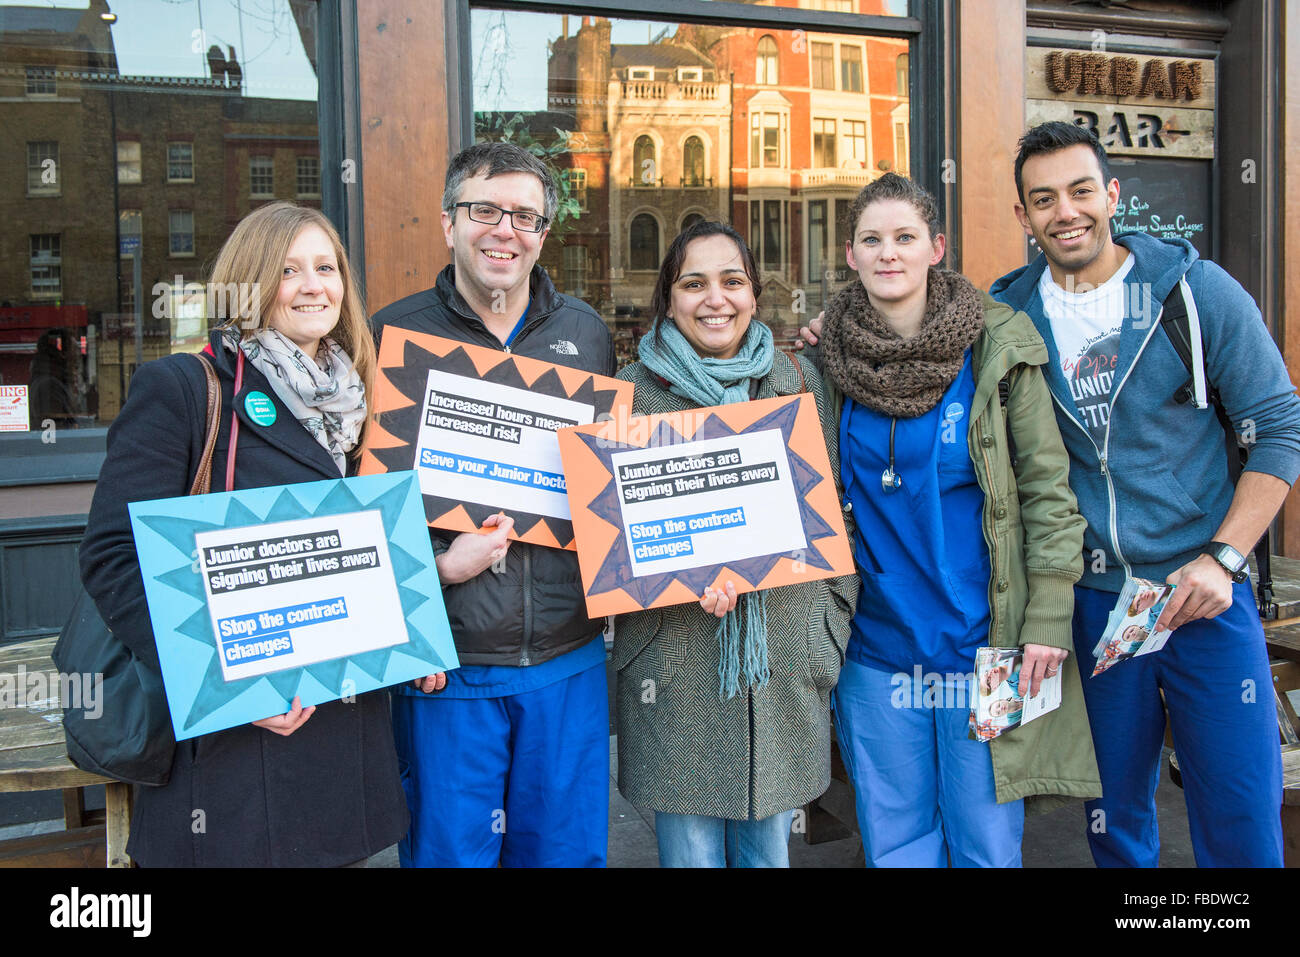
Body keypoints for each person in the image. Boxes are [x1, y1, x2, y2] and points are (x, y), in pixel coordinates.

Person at [989, 121, 1300, 867]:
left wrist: (1224, 559)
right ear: (1024, 216)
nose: (1065, 211)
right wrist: (822, 338)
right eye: (1043, 199)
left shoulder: (1192, 292)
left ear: (1112, 195)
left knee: (1239, 811)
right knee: (1114, 820)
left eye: (1080, 190)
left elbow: (1280, 428)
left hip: (1203, 593)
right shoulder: (1008, 315)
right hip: (1095, 604)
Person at [79, 201, 414, 866]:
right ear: (249, 282)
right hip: (236, 761)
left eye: (326, 267)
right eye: (289, 269)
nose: (313, 284)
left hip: (343, 751)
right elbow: (112, 558)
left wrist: (412, 633)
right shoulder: (183, 387)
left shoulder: (363, 401)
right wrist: (232, 684)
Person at [804, 173, 1099, 867]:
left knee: (985, 839)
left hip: (985, 644)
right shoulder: (826, 361)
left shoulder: (998, 345)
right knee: (896, 839)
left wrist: (1049, 619)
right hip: (874, 648)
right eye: (872, 239)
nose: (889, 253)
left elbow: (1050, 493)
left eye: (905, 237)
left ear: (936, 247)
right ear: (850, 253)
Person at [371, 142, 615, 868]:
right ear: (449, 223)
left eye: (525, 216)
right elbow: (364, 511)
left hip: (567, 661)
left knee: (565, 857)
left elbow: (610, 486)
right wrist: (418, 613)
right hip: (450, 667)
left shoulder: (586, 333)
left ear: (543, 234)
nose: (504, 229)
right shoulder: (391, 334)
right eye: (485, 210)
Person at [612, 219, 857, 868]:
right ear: (669, 298)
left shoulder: (801, 382)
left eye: (733, 280)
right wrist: (682, 568)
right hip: (676, 665)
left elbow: (838, 509)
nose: (715, 298)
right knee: (690, 856)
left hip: (779, 660)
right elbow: (610, 539)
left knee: (767, 857)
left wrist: (826, 628)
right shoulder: (626, 394)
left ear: (754, 295)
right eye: (694, 283)